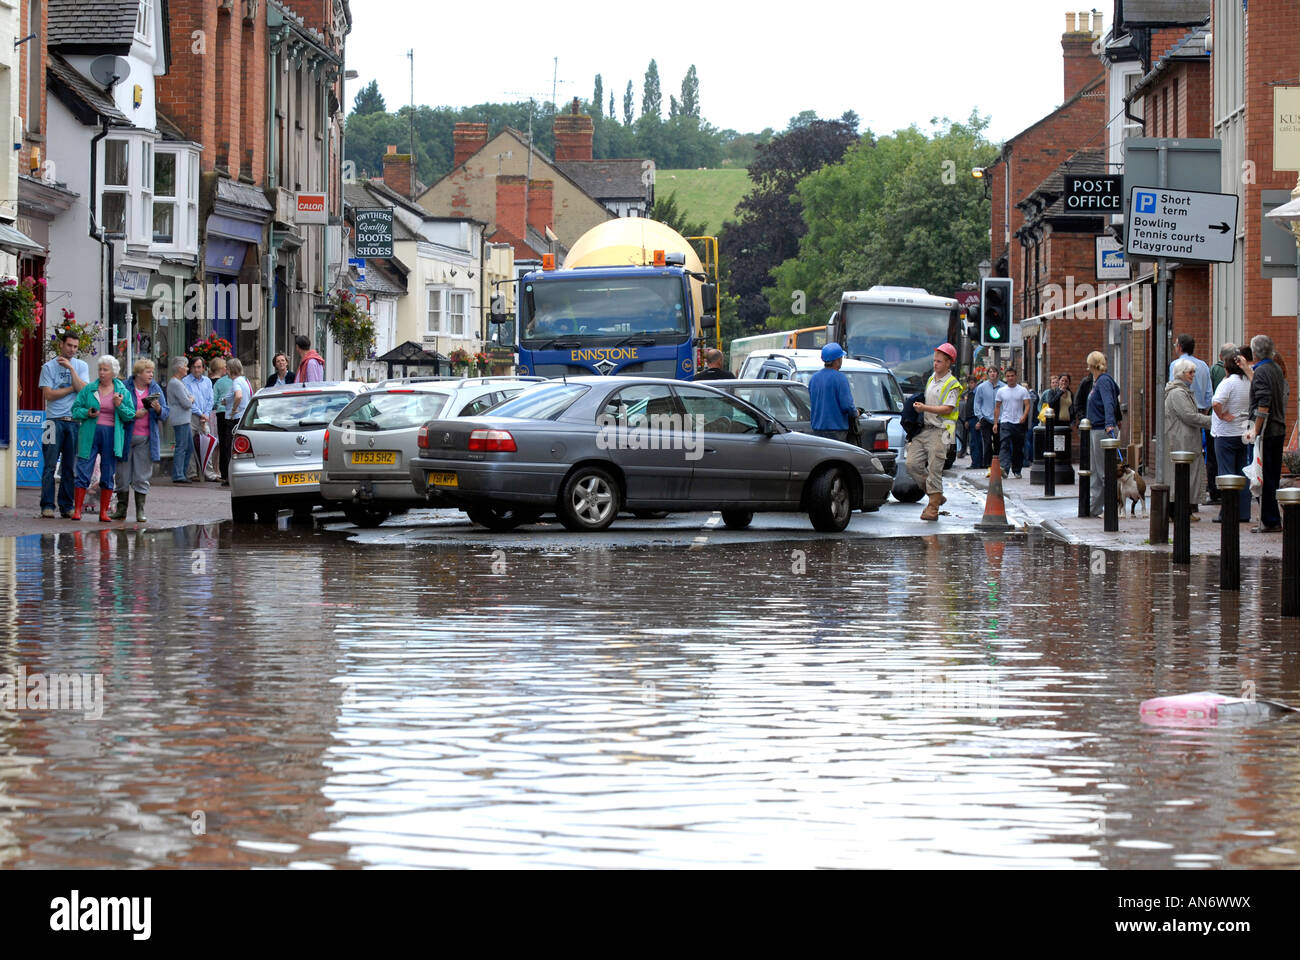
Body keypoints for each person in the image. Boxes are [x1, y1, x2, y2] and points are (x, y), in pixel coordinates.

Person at [69, 355, 136, 521]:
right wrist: (87, 412)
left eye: (105, 370)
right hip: (90, 434)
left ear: (113, 372)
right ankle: (77, 510)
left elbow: (130, 415)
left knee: (108, 473)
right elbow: (75, 410)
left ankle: (103, 512)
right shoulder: (89, 389)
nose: (101, 373)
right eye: (100, 369)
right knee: (83, 470)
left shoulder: (122, 391)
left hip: (111, 435)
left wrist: (119, 406)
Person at [908, 343, 963, 521]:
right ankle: (936, 495)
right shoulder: (932, 378)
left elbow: (947, 409)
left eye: (939, 361)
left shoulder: (952, 384)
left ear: (948, 363)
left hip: (942, 431)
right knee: (912, 464)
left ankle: (932, 509)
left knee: (935, 469)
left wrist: (924, 408)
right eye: (934, 360)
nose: (935, 364)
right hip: (925, 429)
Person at [38, 331, 90, 518]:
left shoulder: (81, 366)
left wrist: (72, 370)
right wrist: (72, 387)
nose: (72, 350)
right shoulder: (48, 367)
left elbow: (85, 391)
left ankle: (66, 505)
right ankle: (47, 505)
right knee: (50, 465)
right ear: (61, 345)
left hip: (75, 421)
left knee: (70, 466)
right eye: (69, 345)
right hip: (53, 421)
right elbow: (48, 395)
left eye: (75, 347)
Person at [112, 359, 168, 522]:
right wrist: (133, 414)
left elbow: (166, 413)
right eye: (148, 371)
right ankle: (121, 509)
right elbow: (117, 407)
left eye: (152, 371)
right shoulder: (125, 386)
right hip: (126, 436)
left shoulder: (155, 388)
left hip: (146, 438)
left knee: (142, 475)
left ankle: (140, 511)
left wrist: (158, 409)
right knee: (122, 475)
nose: (151, 374)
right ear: (138, 373)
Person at [1246, 334, 1289, 533]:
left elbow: (1264, 402)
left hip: (1267, 431)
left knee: (1264, 476)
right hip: (1278, 428)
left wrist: (1255, 429)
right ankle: (1271, 519)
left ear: (1255, 352)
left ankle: (1270, 520)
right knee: (1271, 475)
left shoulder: (1262, 371)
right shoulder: (1276, 369)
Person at [1164, 358, 1212, 518]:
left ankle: (1184, 510)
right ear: (1181, 374)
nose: (1193, 375)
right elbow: (1189, 416)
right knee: (1182, 477)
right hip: (1181, 441)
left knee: (1184, 477)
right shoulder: (1178, 393)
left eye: (1193, 372)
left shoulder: (1182, 391)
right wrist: (1214, 422)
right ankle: (1180, 512)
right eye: (1190, 372)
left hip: (1184, 439)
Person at [1211, 349, 1251, 524]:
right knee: (1242, 474)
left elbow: (1216, 402)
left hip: (1225, 434)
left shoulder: (1227, 383)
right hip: (1243, 432)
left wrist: (1221, 415)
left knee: (1227, 474)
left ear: (1226, 368)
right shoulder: (1248, 382)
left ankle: (1227, 512)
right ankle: (1243, 512)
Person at [1085, 351, 1121, 517]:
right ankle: (1095, 508)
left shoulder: (1103, 381)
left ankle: (1111, 507)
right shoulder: (1099, 381)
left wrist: (1109, 424)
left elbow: (1109, 402)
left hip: (1102, 430)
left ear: (1092, 365)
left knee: (1103, 471)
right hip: (1097, 429)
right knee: (1097, 471)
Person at [808, 342, 858, 443]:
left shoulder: (814, 378)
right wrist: (856, 412)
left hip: (817, 429)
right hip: (837, 431)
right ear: (837, 360)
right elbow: (847, 405)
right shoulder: (840, 378)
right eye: (841, 358)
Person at [184, 356, 217, 481]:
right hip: (192, 416)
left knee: (206, 444)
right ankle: (192, 474)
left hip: (204, 416)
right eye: (194, 367)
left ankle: (209, 474)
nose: (196, 370)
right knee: (190, 445)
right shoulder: (185, 381)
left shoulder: (207, 381)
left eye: (199, 367)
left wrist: (206, 413)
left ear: (203, 368)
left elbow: (210, 398)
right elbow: (188, 400)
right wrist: (200, 413)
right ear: (190, 368)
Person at [994, 367, 1031, 479]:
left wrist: (1024, 417)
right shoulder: (1001, 391)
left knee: (1017, 447)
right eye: (1008, 376)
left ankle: (1017, 470)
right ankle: (1004, 469)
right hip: (1005, 421)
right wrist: (996, 423)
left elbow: (1028, 405)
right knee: (1004, 444)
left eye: (1012, 376)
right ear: (1005, 377)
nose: (1010, 378)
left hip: (1018, 422)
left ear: (1016, 376)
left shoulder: (1022, 390)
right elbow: (997, 407)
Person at [225, 358, 252, 488]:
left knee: (229, 448)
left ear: (230, 370)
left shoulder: (236, 382)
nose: (226, 370)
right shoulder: (245, 380)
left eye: (227, 368)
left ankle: (230, 477)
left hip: (235, 418)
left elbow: (238, 396)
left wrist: (233, 409)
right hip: (243, 417)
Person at [166, 357, 194, 483]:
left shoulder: (178, 382)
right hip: (180, 418)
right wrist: (190, 400)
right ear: (179, 368)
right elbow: (187, 402)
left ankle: (182, 472)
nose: (187, 369)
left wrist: (190, 399)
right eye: (186, 366)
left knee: (188, 446)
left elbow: (188, 399)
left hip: (184, 418)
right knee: (182, 446)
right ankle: (178, 474)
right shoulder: (175, 383)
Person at [211, 357, 234, 483]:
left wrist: (218, 404)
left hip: (221, 413)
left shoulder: (219, 382)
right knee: (232, 444)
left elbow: (214, 400)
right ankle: (231, 472)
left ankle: (224, 473)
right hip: (236, 414)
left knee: (223, 443)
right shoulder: (243, 380)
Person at [974, 366, 1000, 472]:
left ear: (997, 374)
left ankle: (997, 463)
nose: (992, 374)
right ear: (987, 374)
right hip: (986, 418)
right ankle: (987, 464)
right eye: (990, 372)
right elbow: (977, 403)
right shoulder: (981, 387)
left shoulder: (1003, 387)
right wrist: (980, 417)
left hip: (999, 419)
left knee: (998, 442)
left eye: (994, 371)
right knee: (987, 442)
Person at [958, 375, 978, 464]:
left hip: (975, 418)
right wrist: (966, 420)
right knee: (971, 441)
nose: (971, 385)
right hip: (969, 419)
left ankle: (976, 462)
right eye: (969, 383)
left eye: (972, 383)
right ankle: (974, 461)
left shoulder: (976, 393)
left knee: (974, 441)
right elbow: (968, 408)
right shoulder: (969, 393)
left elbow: (975, 408)